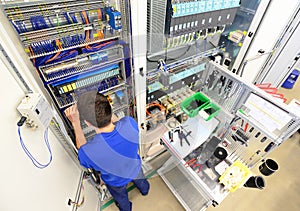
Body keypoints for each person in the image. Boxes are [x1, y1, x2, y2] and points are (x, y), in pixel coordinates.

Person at [64, 91, 150, 211]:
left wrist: (75, 122)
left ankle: (126, 209)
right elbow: (117, 121)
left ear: (87, 123)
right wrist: (106, 109)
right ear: (110, 108)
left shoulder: (91, 151)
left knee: (121, 197)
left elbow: (81, 148)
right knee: (142, 181)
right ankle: (145, 191)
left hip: (116, 181)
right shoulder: (130, 123)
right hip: (135, 167)